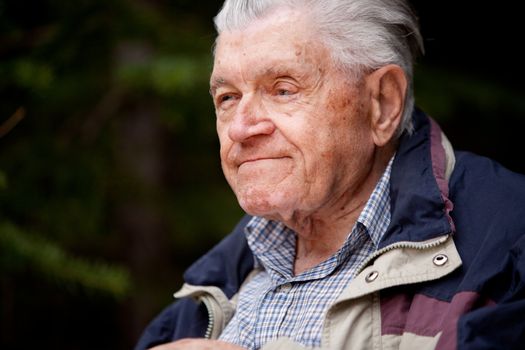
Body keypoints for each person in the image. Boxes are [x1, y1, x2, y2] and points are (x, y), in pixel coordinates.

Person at [135, 0, 525, 349]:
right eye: (228, 98)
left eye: (283, 90)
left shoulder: (508, 242)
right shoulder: (209, 288)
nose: (240, 127)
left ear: (382, 104)